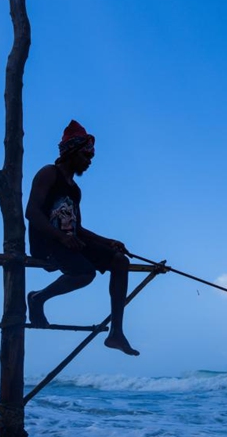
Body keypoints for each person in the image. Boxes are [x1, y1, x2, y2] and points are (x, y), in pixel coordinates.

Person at [26, 119, 139, 356]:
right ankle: (38, 298)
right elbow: (32, 213)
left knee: (120, 261)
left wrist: (108, 242)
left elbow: (78, 229)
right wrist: (60, 237)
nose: (89, 161)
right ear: (72, 152)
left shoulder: (74, 190)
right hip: (46, 241)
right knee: (85, 273)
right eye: (86, 156)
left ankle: (116, 333)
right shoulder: (49, 173)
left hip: (69, 242)